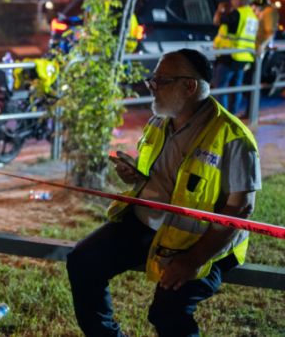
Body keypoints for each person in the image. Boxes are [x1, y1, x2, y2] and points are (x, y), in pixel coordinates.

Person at [67, 48, 261, 337]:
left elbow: (240, 210)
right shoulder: (160, 121)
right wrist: (135, 176)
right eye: (153, 80)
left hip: (202, 241)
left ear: (189, 86)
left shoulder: (233, 138)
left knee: (168, 311)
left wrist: (193, 260)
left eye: (161, 81)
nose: (152, 88)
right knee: (82, 261)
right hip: (148, 224)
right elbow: (159, 178)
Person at [212, 0, 258, 116]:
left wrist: (220, 10)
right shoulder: (252, 15)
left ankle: (223, 116)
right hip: (244, 56)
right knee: (237, 87)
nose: (232, 0)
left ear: (241, 1)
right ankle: (233, 113)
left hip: (230, 55)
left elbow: (217, 21)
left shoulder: (238, 14)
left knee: (220, 86)